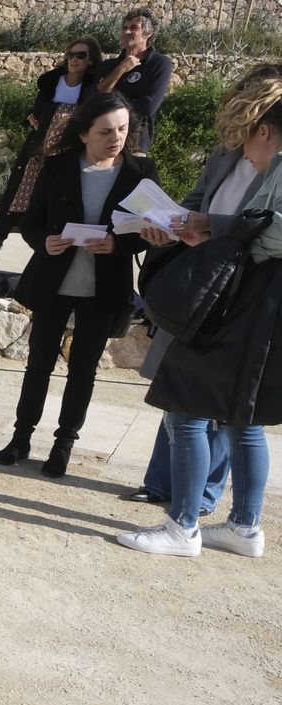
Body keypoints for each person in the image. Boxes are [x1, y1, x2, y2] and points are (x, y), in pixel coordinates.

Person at [116, 72, 282, 558]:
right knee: (239, 420)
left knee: (186, 409)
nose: (238, 146)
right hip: (224, 297)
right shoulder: (231, 159)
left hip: (242, 303)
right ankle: (245, 528)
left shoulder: (278, 166)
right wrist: (172, 226)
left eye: (245, 134)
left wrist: (216, 228)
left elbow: (271, 235)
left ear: (263, 129)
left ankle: (183, 526)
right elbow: (198, 207)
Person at [0, 91, 157, 478]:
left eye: (122, 128)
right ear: (84, 134)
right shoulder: (57, 166)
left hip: (104, 288)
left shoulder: (141, 172)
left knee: (83, 370)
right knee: (38, 364)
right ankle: (21, 436)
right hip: (54, 282)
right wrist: (44, 242)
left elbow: (151, 228)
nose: (116, 137)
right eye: (105, 131)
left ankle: (64, 443)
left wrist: (119, 243)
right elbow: (32, 222)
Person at [0, 37, 102, 271]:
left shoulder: (90, 86)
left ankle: (40, 262)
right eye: (71, 54)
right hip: (37, 149)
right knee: (16, 197)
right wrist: (40, 118)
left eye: (81, 55)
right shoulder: (52, 81)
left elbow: (86, 117)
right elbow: (37, 110)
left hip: (66, 154)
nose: (74, 60)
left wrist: (57, 121)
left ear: (91, 60)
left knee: (52, 204)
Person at [94, 7, 173, 153]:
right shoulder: (108, 66)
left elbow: (148, 106)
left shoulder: (159, 63)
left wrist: (108, 106)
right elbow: (95, 98)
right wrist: (121, 69)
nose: (127, 32)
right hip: (101, 144)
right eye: (124, 28)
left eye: (133, 28)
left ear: (148, 33)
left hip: (134, 145)